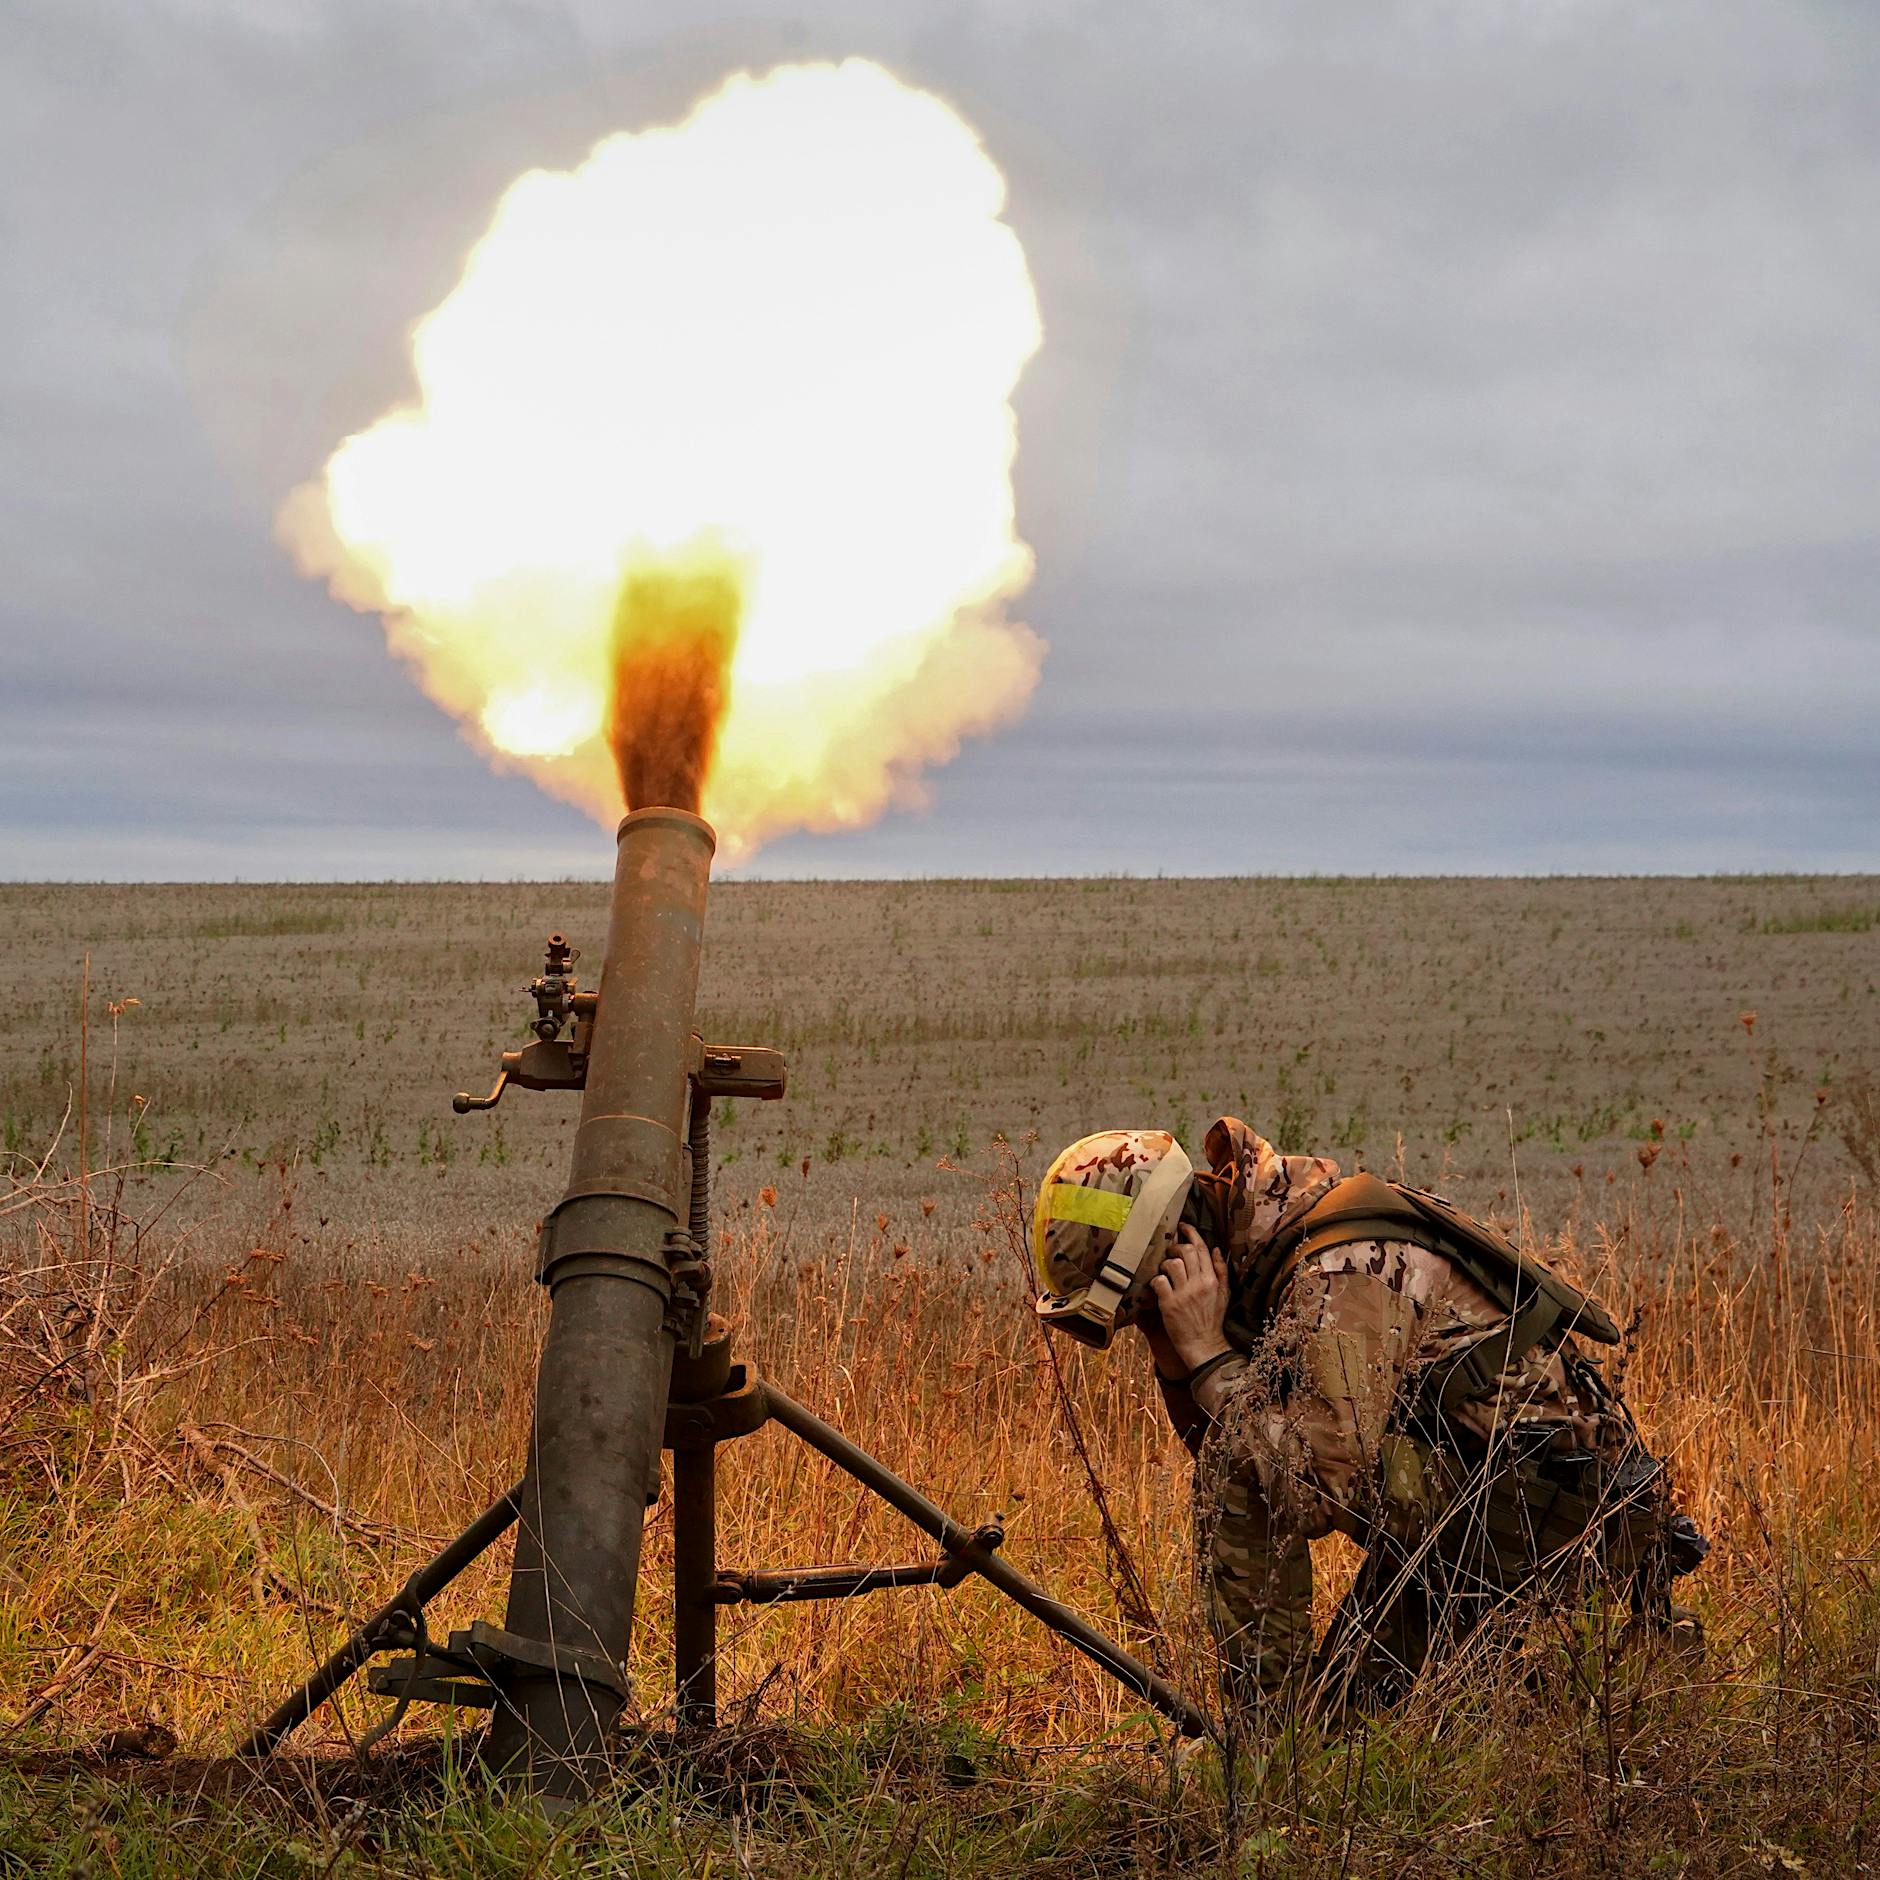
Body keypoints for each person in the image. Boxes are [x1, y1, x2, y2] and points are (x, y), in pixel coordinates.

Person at [1031, 1119, 1705, 1717]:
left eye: (1142, 1304)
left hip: (1546, 1511)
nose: (1148, 1318)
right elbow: (1230, 1441)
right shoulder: (1269, 1245)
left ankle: (1267, 1741)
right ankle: (1605, 1676)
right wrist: (1173, 1349)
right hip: (1492, 1497)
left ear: (1177, 1244)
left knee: (1251, 1464)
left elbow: (1311, 1487)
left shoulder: (1338, 1270)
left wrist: (1207, 1356)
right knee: (1350, 1722)